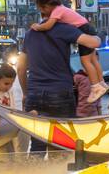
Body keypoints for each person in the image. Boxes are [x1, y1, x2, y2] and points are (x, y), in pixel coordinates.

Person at [17, 19, 102, 153]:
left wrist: (26, 93)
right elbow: (92, 42)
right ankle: (60, 172)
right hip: (61, 94)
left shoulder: (30, 34)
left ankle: (35, 171)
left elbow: (21, 68)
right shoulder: (64, 29)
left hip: (34, 95)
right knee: (62, 144)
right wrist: (96, 36)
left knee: (37, 145)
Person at [29, 0, 108, 102]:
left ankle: (96, 87)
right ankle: (102, 82)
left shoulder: (57, 10)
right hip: (87, 27)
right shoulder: (61, 8)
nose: (43, 13)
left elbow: (48, 25)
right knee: (93, 59)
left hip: (83, 30)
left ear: (46, 6)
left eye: (42, 10)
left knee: (85, 61)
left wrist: (37, 27)